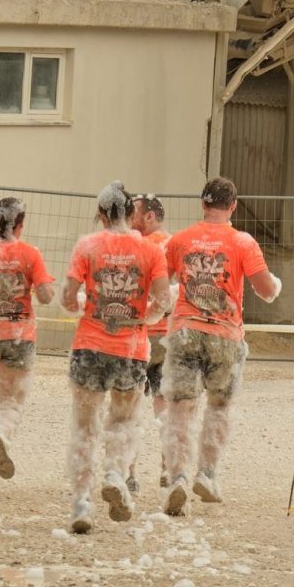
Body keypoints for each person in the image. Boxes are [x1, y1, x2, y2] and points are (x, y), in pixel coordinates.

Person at [161, 177, 281, 516]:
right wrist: (275, 285)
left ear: (203, 204)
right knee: (219, 406)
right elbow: (266, 290)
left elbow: (160, 285)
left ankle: (177, 477)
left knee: (180, 409)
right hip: (225, 335)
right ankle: (207, 474)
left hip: (185, 330)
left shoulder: (180, 240)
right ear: (233, 206)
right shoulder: (243, 242)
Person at [61, 181, 170, 534]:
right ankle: (113, 475)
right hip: (131, 349)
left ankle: (81, 502)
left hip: (89, 345)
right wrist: (143, 317)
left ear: (102, 213)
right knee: (123, 421)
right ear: (129, 213)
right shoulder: (150, 250)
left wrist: (83, 305)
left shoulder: (87, 246)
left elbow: (66, 298)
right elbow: (164, 301)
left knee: (84, 427)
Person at [0, 197, 55, 492]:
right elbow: (46, 296)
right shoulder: (30, 253)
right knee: (10, 402)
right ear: (20, 225)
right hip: (19, 337)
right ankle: (1, 434)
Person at [127, 194, 173, 494]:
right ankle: (167, 469)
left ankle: (129, 472)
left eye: (134, 212)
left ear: (149, 216)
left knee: (130, 405)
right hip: (168, 335)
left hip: (138, 334)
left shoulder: (135, 246)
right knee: (165, 406)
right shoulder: (174, 245)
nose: (129, 217)